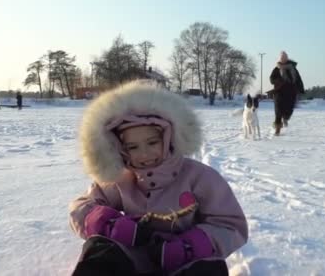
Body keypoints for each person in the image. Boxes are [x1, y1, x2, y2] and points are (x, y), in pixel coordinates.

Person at [69, 80, 248, 276]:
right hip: (132, 260)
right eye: (133, 147)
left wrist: (188, 247)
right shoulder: (120, 179)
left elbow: (230, 225)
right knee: (99, 251)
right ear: (121, 148)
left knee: (208, 269)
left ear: (168, 138)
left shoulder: (199, 177)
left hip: (184, 263)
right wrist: (110, 225)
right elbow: (82, 207)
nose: (144, 154)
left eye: (152, 142)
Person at [269, 51, 304, 135]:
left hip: (290, 92)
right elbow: (271, 79)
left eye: (284, 58)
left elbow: (298, 79)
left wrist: (301, 89)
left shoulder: (292, 68)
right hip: (279, 92)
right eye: (281, 58)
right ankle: (277, 130)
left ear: (287, 59)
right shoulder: (277, 69)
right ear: (280, 59)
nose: (283, 60)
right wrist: (278, 81)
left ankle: (285, 118)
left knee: (289, 110)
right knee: (278, 111)